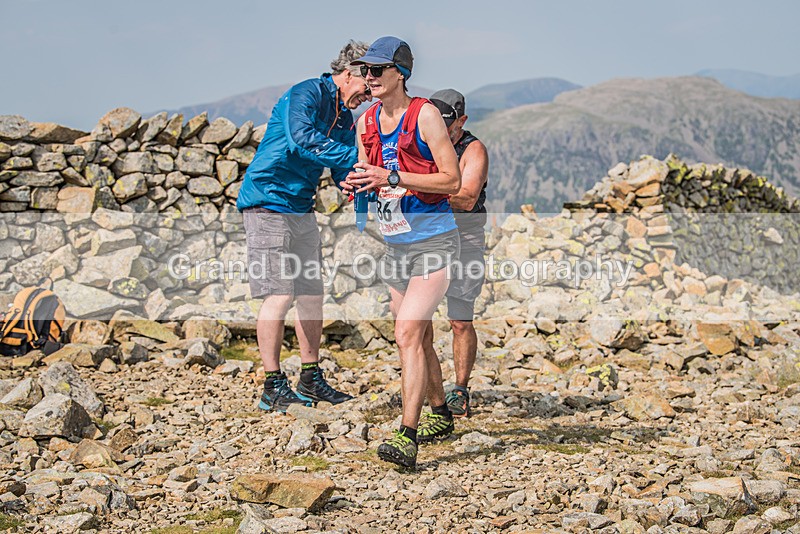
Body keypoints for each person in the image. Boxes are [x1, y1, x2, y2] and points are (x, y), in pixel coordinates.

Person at [343, 37, 462, 468]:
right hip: (395, 241)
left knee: (407, 334)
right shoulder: (366, 121)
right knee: (420, 335)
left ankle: (407, 436)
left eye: (376, 70)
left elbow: (452, 181)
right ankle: (441, 413)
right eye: (364, 70)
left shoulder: (425, 115)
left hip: (434, 239)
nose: (368, 78)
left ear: (401, 73)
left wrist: (392, 176)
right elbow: (365, 171)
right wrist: (357, 183)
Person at [236, 41, 372, 413]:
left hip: (300, 206)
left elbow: (344, 167)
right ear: (348, 74)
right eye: (367, 84)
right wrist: (356, 156)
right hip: (267, 201)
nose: (369, 94)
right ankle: (272, 386)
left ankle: (310, 378)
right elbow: (302, 140)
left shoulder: (346, 117)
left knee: (311, 294)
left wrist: (357, 183)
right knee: (278, 294)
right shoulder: (307, 92)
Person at [429, 89, 489, 418]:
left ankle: (461, 389)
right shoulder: (429, 143)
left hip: (466, 238)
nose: (440, 131)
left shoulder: (473, 149)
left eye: (446, 125)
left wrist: (417, 192)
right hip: (429, 237)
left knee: (460, 320)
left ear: (461, 121)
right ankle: (422, 384)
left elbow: (466, 198)